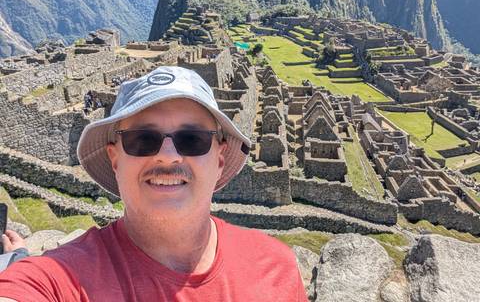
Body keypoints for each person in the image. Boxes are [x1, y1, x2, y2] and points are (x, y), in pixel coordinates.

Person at [0, 66, 308, 301]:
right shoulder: (61, 279)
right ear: (115, 158)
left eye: (193, 140)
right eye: (142, 139)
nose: (168, 155)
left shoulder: (277, 268)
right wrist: (15, 263)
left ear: (220, 159)